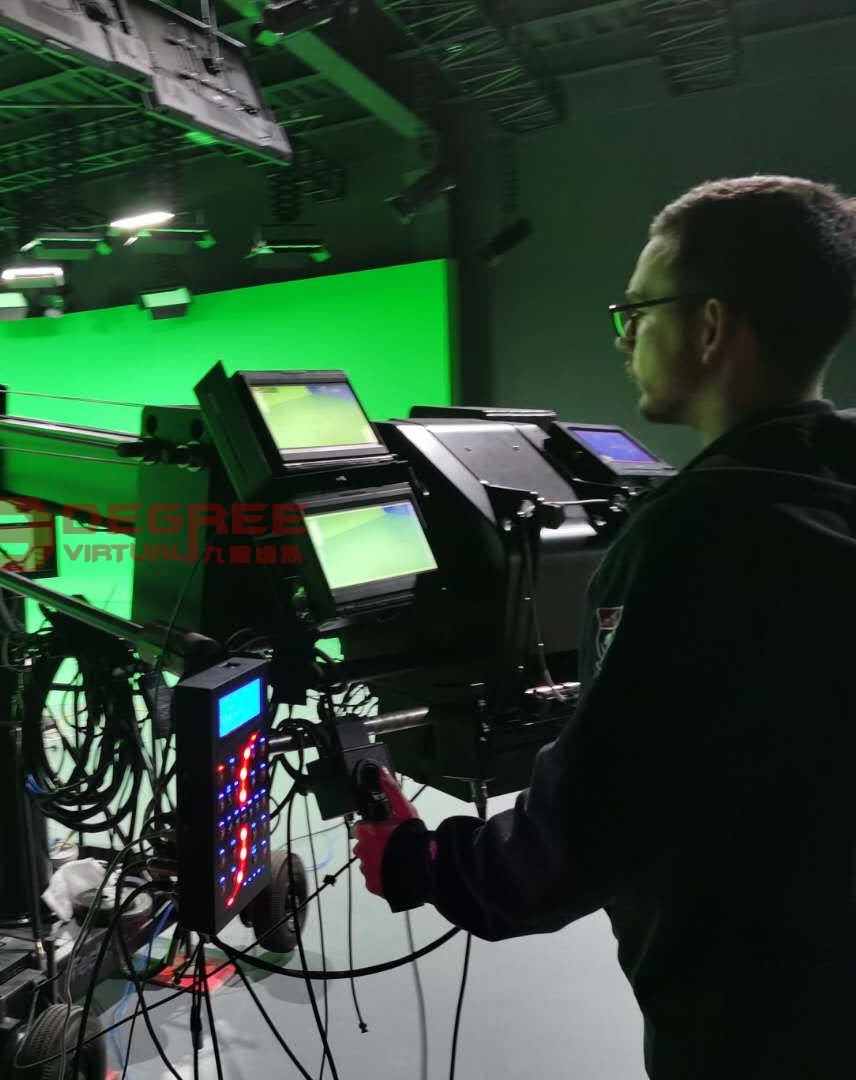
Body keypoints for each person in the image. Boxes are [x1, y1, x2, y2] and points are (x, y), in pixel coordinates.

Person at [353, 175, 856, 1078]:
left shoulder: (696, 533)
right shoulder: (829, 484)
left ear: (708, 326)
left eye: (637, 311)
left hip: (756, 1023)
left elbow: (583, 834)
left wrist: (421, 859)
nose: (624, 338)